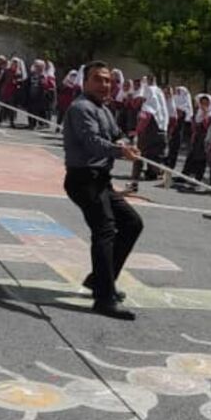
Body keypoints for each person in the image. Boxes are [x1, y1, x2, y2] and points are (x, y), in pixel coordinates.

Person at [62, 62, 144, 321]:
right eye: (98, 79)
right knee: (105, 230)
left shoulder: (104, 109)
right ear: (85, 82)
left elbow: (116, 134)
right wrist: (120, 152)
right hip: (83, 179)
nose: (104, 85)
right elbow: (92, 142)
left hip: (101, 180)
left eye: (108, 80)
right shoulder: (81, 108)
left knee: (132, 223)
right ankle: (104, 298)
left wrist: (126, 143)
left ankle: (100, 280)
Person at [129, 80, 168, 189]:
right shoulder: (162, 108)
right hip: (161, 134)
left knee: (138, 157)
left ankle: (134, 182)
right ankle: (165, 176)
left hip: (147, 136)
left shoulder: (148, 105)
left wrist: (136, 131)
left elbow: (144, 120)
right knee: (154, 160)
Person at [182, 93, 211, 183]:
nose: (204, 105)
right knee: (191, 156)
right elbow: (194, 125)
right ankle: (185, 175)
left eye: (206, 103)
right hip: (197, 138)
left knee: (201, 159)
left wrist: (205, 114)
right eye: (202, 103)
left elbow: (207, 126)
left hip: (205, 139)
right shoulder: (198, 113)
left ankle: (198, 178)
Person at [0, 57, 25, 128]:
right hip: (5, 90)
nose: (14, 64)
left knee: (12, 108)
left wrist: (17, 81)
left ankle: (12, 122)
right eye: (13, 63)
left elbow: (22, 81)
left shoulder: (19, 72)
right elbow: (2, 79)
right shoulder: (7, 71)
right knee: (3, 106)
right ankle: (0, 120)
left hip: (13, 92)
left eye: (16, 63)